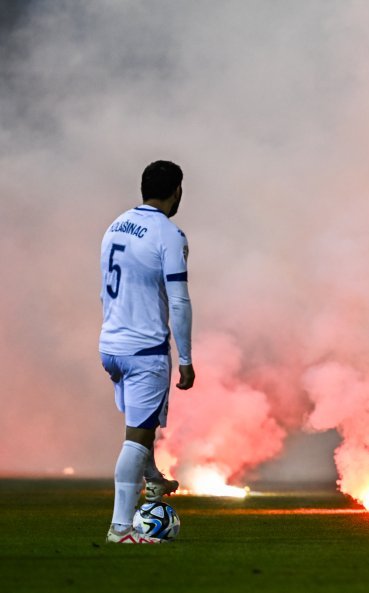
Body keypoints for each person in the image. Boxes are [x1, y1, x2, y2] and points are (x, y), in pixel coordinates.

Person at [99, 160, 195, 543]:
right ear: (176, 192)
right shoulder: (168, 234)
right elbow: (180, 302)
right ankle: (120, 528)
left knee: (142, 424)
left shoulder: (114, 226)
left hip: (111, 345)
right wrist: (185, 359)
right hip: (144, 349)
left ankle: (151, 473)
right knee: (136, 437)